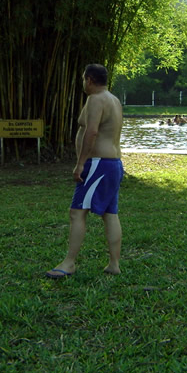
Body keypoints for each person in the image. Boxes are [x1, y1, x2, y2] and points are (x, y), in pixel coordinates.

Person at [46, 64, 124, 279]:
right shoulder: (113, 100)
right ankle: (114, 264)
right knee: (110, 213)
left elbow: (92, 132)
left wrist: (81, 163)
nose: (82, 83)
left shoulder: (96, 99)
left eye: (83, 79)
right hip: (112, 164)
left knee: (77, 212)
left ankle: (69, 263)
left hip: (98, 163)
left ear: (89, 80)